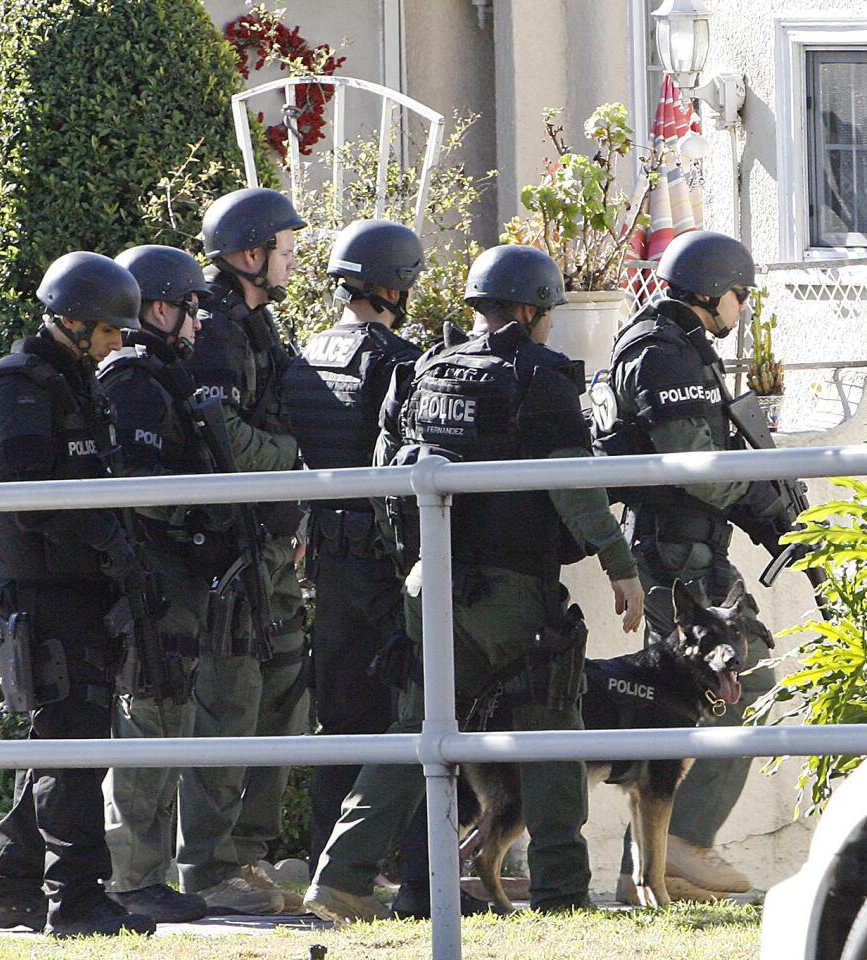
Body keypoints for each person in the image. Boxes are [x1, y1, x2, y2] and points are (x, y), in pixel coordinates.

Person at [303, 244, 646, 923]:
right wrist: (620, 565)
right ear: (527, 309)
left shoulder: (424, 368)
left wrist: (413, 557)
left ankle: (340, 876)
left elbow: (383, 473)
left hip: (429, 583)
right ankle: (559, 895)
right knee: (550, 725)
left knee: (419, 728)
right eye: (546, 313)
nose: (548, 326)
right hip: (511, 587)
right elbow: (574, 488)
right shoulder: (539, 377)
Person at [0, 252, 158, 938]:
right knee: (73, 747)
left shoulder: (73, 382)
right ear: (72, 322)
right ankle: (74, 899)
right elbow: (26, 497)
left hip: (80, 586)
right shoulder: (22, 388)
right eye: (108, 331)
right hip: (47, 591)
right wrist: (101, 531)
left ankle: (11, 887)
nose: (117, 343)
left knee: (64, 740)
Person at [596, 229, 782, 902]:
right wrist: (761, 492)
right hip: (677, 555)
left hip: (691, 549)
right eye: (741, 294)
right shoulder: (662, 354)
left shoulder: (675, 348)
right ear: (713, 291)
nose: (743, 307)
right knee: (745, 678)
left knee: (681, 708)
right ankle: (676, 847)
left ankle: (650, 867)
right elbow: (691, 463)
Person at [279, 218, 457, 919]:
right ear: (394, 284)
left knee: (341, 717)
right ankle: (421, 883)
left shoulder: (304, 356)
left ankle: (332, 868)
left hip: (327, 555)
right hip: (384, 559)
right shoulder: (400, 361)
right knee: (413, 714)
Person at [176, 187, 307, 915]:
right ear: (250, 255)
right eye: (284, 248)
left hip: (272, 543)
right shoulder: (219, 328)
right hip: (233, 547)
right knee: (230, 702)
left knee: (285, 696)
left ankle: (250, 855)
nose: (293, 260)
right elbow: (220, 436)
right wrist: (295, 459)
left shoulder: (257, 325)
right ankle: (211, 866)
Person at [94, 244, 214, 923]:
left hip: (171, 569)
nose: (197, 324)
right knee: (152, 713)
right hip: (151, 573)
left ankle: (148, 872)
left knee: (167, 714)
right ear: (160, 308)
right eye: (190, 308)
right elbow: (139, 486)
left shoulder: (160, 375)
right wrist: (197, 509)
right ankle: (135, 877)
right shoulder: (136, 379)